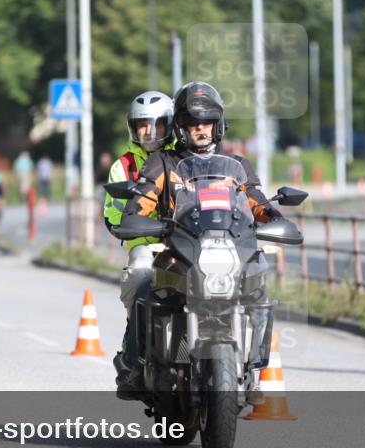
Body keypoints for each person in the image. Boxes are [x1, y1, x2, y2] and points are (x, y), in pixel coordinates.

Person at [116, 81, 284, 396]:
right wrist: (136, 220)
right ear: (180, 127)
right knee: (141, 286)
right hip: (178, 251)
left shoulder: (237, 167)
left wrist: (275, 219)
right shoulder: (163, 163)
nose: (200, 128)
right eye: (192, 122)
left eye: (207, 121)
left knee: (259, 289)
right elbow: (140, 203)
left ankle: (255, 370)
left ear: (218, 125)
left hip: (227, 249)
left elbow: (255, 200)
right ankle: (137, 367)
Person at [103, 90, 177, 391]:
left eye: (156, 124)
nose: (149, 131)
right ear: (132, 127)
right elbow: (112, 211)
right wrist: (124, 225)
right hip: (145, 243)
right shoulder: (124, 166)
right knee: (140, 274)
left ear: (169, 125)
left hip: (185, 241)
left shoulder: (182, 159)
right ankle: (133, 357)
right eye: (142, 124)